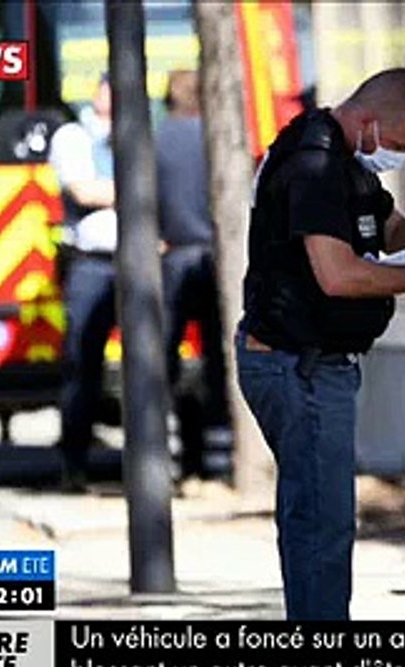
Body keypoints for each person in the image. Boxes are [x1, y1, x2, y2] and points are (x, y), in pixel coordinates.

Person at [238, 67, 405, 621]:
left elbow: (389, 228)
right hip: (298, 364)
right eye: (397, 145)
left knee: (321, 512)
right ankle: (324, 662)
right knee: (320, 518)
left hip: (317, 361)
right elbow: (339, 275)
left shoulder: (350, 167)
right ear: (369, 122)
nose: (397, 157)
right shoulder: (313, 164)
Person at [155, 70, 231, 480]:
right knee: (219, 360)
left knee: (162, 358)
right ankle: (220, 458)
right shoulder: (217, 138)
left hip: (173, 258)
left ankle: (166, 456)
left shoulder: (157, 140)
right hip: (216, 260)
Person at [50, 75, 117, 491]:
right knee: (81, 363)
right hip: (91, 263)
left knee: (157, 362)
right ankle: (73, 464)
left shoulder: (144, 131)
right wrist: (138, 185)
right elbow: (83, 190)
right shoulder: (74, 136)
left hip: (141, 262)